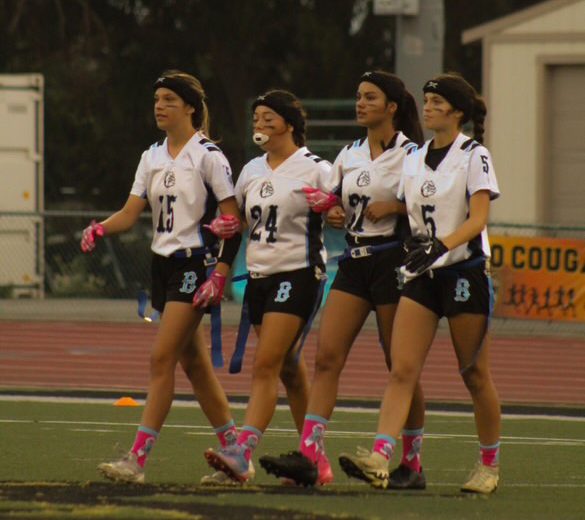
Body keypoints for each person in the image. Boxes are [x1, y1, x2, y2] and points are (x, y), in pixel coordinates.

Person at [258, 71, 428, 489]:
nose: (360, 103)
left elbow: (429, 206)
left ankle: (412, 462)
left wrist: (395, 206)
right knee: (326, 357)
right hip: (353, 262)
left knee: (398, 364)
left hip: (393, 262)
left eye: (370, 97)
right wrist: (331, 213)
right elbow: (332, 203)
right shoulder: (349, 154)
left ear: (392, 107)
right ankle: (311, 455)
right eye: (358, 96)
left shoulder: (413, 153)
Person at [338, 72, 502, 494]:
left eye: (436, 102)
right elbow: (397, 206)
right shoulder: (414, 156)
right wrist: (339, 209)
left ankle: (489, 465)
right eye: (426, 101)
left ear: (457, 111)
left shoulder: (473, 155)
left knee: (474, 375)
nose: (426, 107)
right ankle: (381, 454)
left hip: (463, 272)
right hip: (423, 274)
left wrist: (441, 246)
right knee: (402, 368)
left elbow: (479, 219)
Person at [82, 69, 242, 484]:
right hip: (163, 265)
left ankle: (137, 459)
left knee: (161, 357)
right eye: (157, 99)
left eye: (169, 99)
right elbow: (132, 212)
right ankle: (235, 450)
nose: (160, 106)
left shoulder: (208, 155)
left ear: (190, 106)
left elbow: (232, 219)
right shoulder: (151, 156)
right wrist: (99, 227)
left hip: (195, 265)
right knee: (195, 364)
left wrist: (220, 273)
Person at [203, 90, 333, 483]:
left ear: (289, 123)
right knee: (290, 369)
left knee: (266, 364)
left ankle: (242, 452)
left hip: (298, 272)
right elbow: (238, 224)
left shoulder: (315, 168)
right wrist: (224, 250)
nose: (259, 123)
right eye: (256, 116)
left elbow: (342, 206)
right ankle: (317, 461)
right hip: (259, 276)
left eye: (268, 117)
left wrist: (335, 206)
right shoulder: (251, 170)